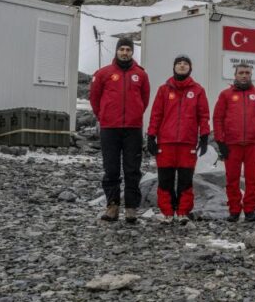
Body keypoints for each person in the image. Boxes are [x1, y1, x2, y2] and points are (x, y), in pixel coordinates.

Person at [89, 37, 150, 224]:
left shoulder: (140, 75)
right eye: (122, 49)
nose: (125, 52)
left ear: (132, 52)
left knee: (132, 169)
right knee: (111, 168)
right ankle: (112, 205)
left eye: (128, 49)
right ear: (116, 51)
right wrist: (103, 116)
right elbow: (94, 97)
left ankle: (131, 208)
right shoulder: (103, 73)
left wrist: (135, 113)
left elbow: (145, 98)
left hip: (132, 129)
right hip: (110, 128)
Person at [146, 55, 210, 224]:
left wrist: (204, 136)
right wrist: (151, 136)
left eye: (185, 64)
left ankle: (182, 212)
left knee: (185, 179)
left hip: (187, 143)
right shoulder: (163, 90)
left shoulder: (198, 90)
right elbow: (156, 115)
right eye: (179, 64)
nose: (182, 66)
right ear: (173, 67)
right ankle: (167, 212)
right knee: (165, 179)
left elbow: (203, 115)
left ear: (190, 68)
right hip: (166, 143)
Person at [213, 62, 255, 223]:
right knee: (232, 180)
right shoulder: (226, 95)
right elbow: (218, 118)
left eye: (247, 72)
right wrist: (220, 141)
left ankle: (250, 210)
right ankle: (234, 210)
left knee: (252, 180)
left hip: (253, 145)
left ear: (251, 75)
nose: (244, 75)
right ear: (235, 75)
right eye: (241, 72)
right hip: (232, 145)